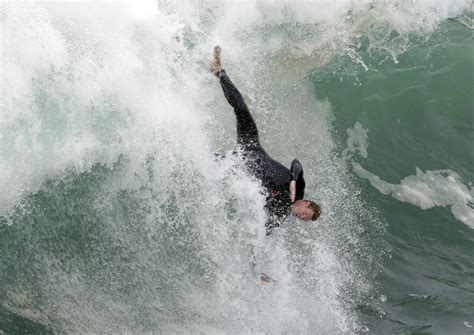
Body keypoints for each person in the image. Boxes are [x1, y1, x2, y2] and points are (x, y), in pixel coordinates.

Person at [211, 46, 321, 235]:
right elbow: (296, 164)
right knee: (241, 109)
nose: (301, 218)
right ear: (306, 203)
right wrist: (293, 180)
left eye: (304, 220)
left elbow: (263, 231)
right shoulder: (299, 189)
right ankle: (219, 71)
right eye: (305, 215)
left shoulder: (280, 213)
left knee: (206, 162)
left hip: (240, 166)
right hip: (252, 148)